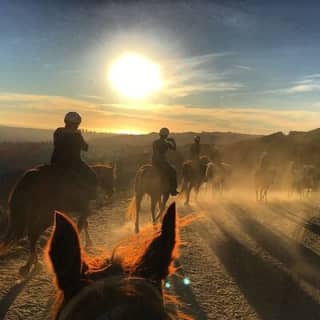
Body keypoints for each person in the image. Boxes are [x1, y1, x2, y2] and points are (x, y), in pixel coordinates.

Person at [51, 112, 97, 199]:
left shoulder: (58, 131)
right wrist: (79, 135)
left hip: (56, 162)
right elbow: (85, 147)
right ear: (75, 124)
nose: (77, 126)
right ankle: (90, 197)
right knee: (92, 176)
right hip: (74, 163)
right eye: (77, 124)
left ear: (65, 121)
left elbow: (57, 144)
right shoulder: (76, 135)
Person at [152, 128, 179, 196]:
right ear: (166, 136)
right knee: (173, 171)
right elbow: (174, 148)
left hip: (154, 161)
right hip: (162, 162)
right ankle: (173, 189)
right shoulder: (166, 144)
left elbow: (155, 152)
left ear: (160, 134)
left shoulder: (155, 142)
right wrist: (173, 141)